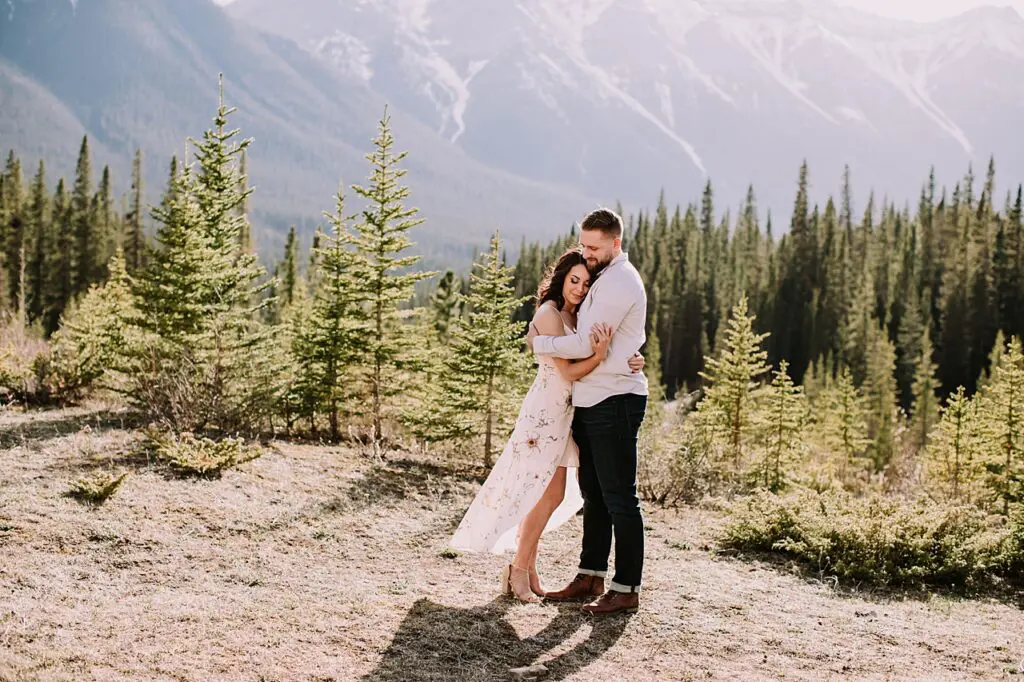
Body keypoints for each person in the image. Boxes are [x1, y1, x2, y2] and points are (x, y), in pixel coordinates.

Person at [449, 247, 645, 603]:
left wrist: (628, 357)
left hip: (565, 413)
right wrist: (601, 355)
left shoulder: (575, 318)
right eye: (574, 280)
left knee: (544, 493)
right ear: (561, 278)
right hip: (546, 413)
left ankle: (527, 567)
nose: (579, 289)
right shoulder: (551, 314)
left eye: (586, 284)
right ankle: (518, 570)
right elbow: (568, 370)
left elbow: (590, 350)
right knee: (546, 493)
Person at [526, 207, 648, 615]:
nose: (587, 253)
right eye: (583, 245)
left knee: (619, 498)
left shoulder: (619, 283)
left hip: (614, 400)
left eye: (594, 247)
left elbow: (582, 345)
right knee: (595, 496)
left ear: (616, 243)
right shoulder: (603, 276)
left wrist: (539, 344)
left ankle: (626, 586)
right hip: (593, 399)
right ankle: (591, 574)